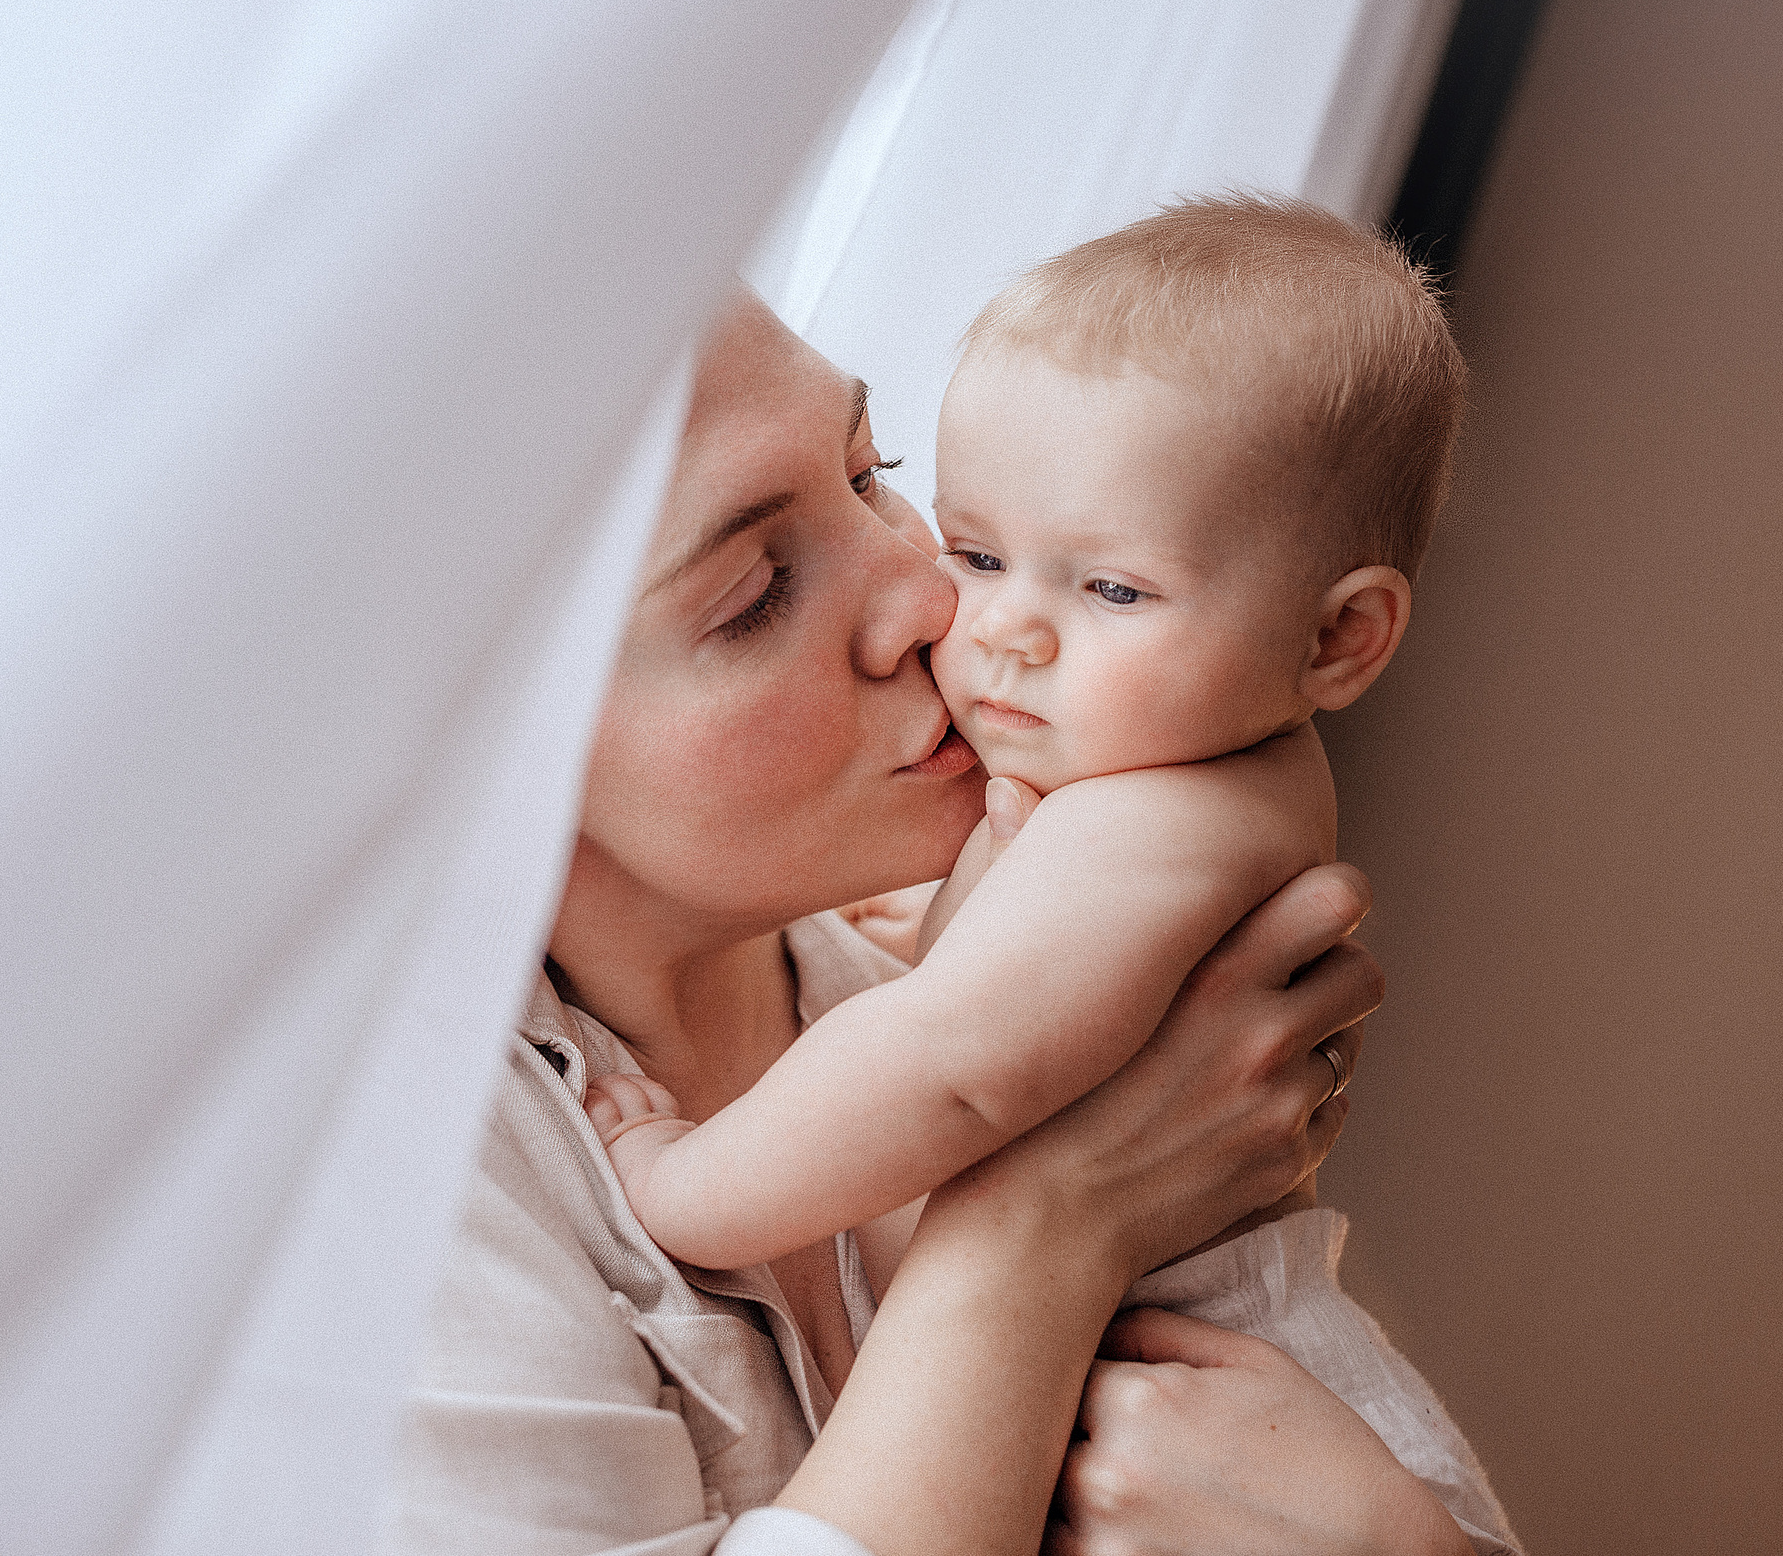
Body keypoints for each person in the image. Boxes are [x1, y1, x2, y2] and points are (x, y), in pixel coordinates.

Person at [375, 285, 1487, 1556]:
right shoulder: (393, 1188)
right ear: (470, 750)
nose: (932, 593)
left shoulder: (907, 969)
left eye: (871, 469)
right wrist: (1048, 1216)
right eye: (753, 594)